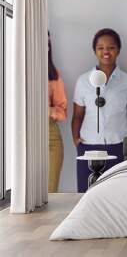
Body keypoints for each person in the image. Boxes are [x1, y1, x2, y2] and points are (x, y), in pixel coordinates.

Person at [72, 28, 127, 193]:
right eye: (101, 47)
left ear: (118, 50)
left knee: (118, 193)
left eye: (111, 47)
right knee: (86, 193)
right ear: (95, 51)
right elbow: (77, 116)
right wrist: (76, 139)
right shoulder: (83, 81)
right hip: (88, 146)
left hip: (119, 146)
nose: (106, 51)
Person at [48, 31, 67, 193]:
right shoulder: (15, 72)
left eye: (47, 45)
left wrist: (46, 110)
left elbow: (62, 112)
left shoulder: (53, 76)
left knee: (50, 191)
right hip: (23, 135)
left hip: (50, 137)